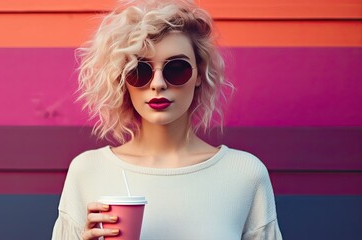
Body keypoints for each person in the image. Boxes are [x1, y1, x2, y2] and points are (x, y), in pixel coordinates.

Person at [52, 0, 283, 239]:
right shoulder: (88, 170)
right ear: (123, 79)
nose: (158, 83)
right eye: (139, 70)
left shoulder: (244, 174)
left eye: (176, 68)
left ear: (199, 74)